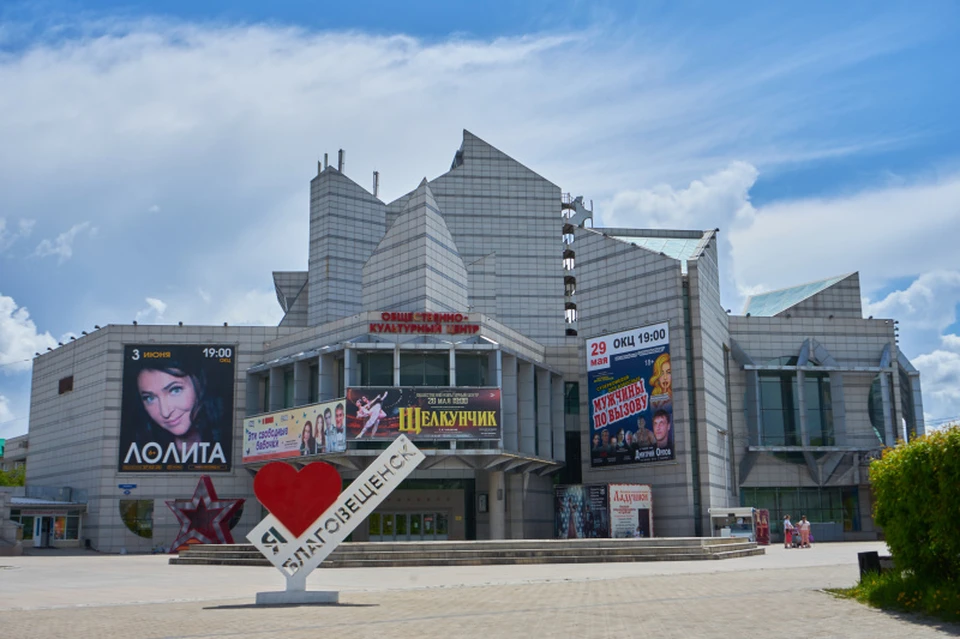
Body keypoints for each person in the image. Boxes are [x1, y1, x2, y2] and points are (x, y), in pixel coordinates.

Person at [124, 352, 228, 461]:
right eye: (150, 398)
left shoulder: (230, 441)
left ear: (200, 383)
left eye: (175, 390)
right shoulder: (138, 453)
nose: (165, 412)